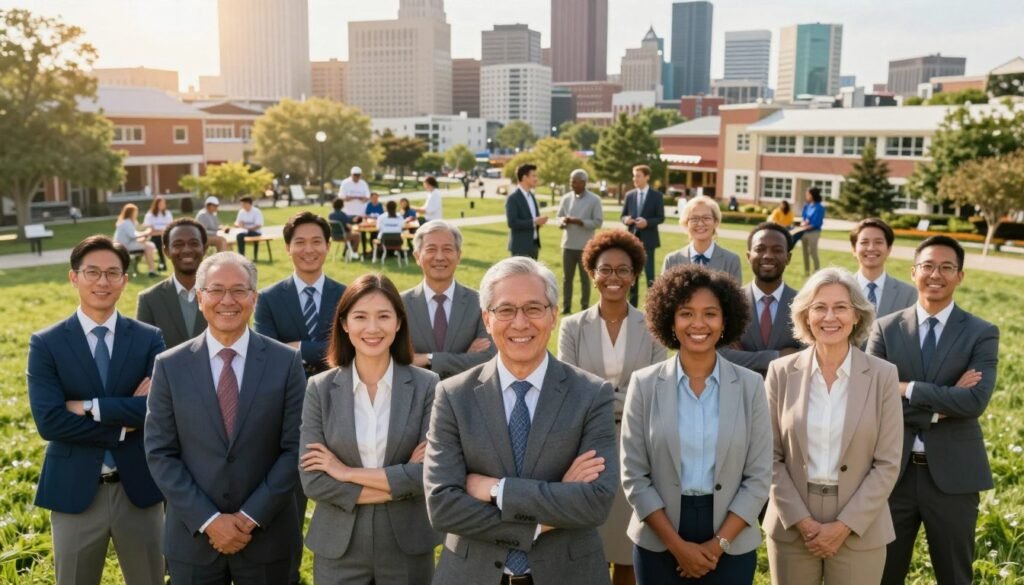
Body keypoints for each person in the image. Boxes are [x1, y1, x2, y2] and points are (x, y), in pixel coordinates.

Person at [424, 256, 618, 585]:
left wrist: (497, 490)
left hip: (569, 574)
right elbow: (443, 506)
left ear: (554, 315)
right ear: (487, 318)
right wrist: (545, 515)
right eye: (505, 310)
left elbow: (595, 502)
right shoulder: (453, 395)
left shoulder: (592, 393)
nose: (520, 323)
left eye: (533, 308)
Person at [145, 252, 306, 584]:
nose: (227, 301)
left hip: (268, 538)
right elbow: (161, 452)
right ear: (200, 297)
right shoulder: (169, 365)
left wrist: (249, 518)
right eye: (216, 290)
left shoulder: (286, 363)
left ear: (254, 298)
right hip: (193, 538)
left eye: (239, 290)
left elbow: (296, 449)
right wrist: (209, 519)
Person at [620, 265, 771, 585]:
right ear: (670, 321)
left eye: (710, 314)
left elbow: (758, 478)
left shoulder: (751, 386)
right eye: (686, 313)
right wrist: (676, 547)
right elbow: (634, 475)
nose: (698, 324)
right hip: (658, 536)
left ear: (725, 320)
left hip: (732, 535)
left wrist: (718, 546)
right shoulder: (644, 384)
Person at [28, 235, 166, 585]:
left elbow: (157, 409)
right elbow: (50, 422)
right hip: (74, 491)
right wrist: (122, 425)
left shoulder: (149, 338)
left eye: (112, 273)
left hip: (139, 489)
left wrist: (90, 407)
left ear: (125, 280)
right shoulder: (46, 343)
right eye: (92, 272)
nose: (102, 281)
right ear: (74, 277)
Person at [867, 236, 1000, 585]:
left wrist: (906, 388)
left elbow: (975, 402)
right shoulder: (884, 328)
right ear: (913, 272)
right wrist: (943, 403)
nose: (935, 274)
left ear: (960, 276)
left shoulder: (981, 333)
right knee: (883, 574)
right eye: (927, 266)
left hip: (954, 479)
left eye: (946, 267)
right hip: (891, 476)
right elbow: (872, 400)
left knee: (955, 576)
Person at [764, 267, 903, 585]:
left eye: (841, 307)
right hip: (792, 523)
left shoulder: (883, 375)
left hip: (860, 527)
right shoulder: (780, 372)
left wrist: (844, 525)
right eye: (819, 307)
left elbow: (888, 463)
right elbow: (766, 457)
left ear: (857, 315)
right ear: (805, 316)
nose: (830, 317)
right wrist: (802, 521)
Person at [299, 274, 441, 584]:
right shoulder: (319, 389)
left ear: (399, 323)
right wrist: (397, 483)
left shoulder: (427, 386)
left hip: (407, 548)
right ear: (345, 324)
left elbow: (427, 476)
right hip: (338, 548)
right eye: (361, 317)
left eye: (383, 316)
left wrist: (344, 472)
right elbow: (314, 482)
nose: (373, 328)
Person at [558, 230, 667, 585]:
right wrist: (622, 395)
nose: (614, 278)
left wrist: (602, 395)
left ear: (634, 275)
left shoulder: (652, 327)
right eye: (605, 269)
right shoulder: (572, 327)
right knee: (588, 546)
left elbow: (655, 389)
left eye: (623, 270)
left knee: (627, 546)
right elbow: (569, 390)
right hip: (586, 445)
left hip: (637, 445)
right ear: (592, 272)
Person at [256, 211, 347, 377]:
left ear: (328, 246)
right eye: (300, 242)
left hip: (339, 387)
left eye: (316, 242)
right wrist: (327, 347)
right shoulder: (267, 298)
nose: (309, 249)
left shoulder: (347, 296)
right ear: (287, 248)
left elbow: (350, 347)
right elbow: (265, 352)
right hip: (286, 391)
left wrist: (299, 347)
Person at [402, 220, 495, 379]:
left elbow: (487, 359)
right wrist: (464, 357)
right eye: (431, 249)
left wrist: (427, 359)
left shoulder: (481, 302)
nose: (439, 257)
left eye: (447, 249)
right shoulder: (398, 304)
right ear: (417, 256)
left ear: (458, 256)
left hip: (466, 398)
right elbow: (394, 360)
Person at [719, 223, 804, 376]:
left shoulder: (803, 303)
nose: (768, 255)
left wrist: (744, 357)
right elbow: (719, 354)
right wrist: (776, 356)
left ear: (788, 257)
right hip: (739, 393)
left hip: (787, 395)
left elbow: (808, 356)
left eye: (777, 250)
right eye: (760, 249)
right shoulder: (729, 302)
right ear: (748, 256)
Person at [136, 217, 209, 349]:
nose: (186, 250)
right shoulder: (149, 300)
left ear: (204, 248)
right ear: (166, 251)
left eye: (193, 243)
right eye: (178, 244)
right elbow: (143, 352)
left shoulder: (224, 295)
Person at [662, 195, 742, 283]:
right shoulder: (672, 260)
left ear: (715, 222)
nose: (700, 223)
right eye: (694, 219)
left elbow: (736, 296)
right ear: (686, 223)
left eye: (706, 218)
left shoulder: (731, 261)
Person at [557, 168, 604, 314]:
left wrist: (579, 222)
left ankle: (584, 307)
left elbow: (598, 222)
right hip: (568, 245)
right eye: (571, 181)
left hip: (585, 247)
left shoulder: (594, 200)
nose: (572, 184)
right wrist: (562, 222)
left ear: (583, 182)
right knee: (567, 279)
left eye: (575, 182)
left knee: (585, 279)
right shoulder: (566, 198)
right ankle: (566, 308)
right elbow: (559, 216)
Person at [850, 218, 917, 318]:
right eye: (864, 242)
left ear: (889, 249)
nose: (871, 248)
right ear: (854, 249)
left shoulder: (908, 294)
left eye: (878, 242)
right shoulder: (842, 290)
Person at [621, 165, 665, 307]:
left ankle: (652, 306)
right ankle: (632, 307)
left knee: (650, 275)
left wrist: (647, 222)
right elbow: (623, 216)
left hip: (649, 241)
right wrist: (626, 220)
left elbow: (660, 218)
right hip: (632, 241)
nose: (635, 179)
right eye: (634, 176)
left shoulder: (656, 196)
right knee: (632, 275)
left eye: (638, 176)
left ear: (647, 177)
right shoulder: (630, 195)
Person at [506, 163, 547, 259]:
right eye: (533, 176)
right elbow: (512, 223)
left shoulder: (531, 196)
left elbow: (534, 218)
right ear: (524, 177)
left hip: (534, 246)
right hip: (520, 247)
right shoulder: (513, 198)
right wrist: (534, 221)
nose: (536, 179)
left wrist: (540, 222)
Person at [114, 202, 158, 277]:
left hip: (127, 244)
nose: (137, 214)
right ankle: (151, 271)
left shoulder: (129, 222)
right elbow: (133, 235)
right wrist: (147, 232)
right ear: (130, 213)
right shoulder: (126, 222)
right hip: (124, 246)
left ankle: (151, 270)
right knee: (149, 246)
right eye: (135, 212)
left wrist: (145, 234)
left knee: (148, 244)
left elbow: (135, 233)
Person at [796, 188, 825, 275]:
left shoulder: (819, 208)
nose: (806, 196)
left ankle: (817, 272)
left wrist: (807, 225)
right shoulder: (807, 206)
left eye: (808, 194)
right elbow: (804, 218)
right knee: (805, 252)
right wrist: (803, 223)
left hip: (814, 233)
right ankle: (807, 272)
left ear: (812, 195)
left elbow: (818, 222)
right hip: (804, 232)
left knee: (813, 252)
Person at [143, 195, 173, 270]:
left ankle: (162, 263)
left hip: (166, 236)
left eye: (163, 203)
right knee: (159, 241)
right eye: (160, 203)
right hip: (153, 237)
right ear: (156, 204)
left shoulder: (168, 214)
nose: (162, 205)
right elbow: (150, 230)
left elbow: (170, 227)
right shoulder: (150, 215)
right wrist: (161, 231)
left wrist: (158, 231)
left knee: (161, 242)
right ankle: (162, 263)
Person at [234, 196, 264, 260]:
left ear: (248, 203)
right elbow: (236, 223)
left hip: (255, 232)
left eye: (243, 204)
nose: (242, 206)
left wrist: (247, 228)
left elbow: (258, 225)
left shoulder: (256, 211)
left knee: (240, 236)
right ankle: (240, 256)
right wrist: (238, 225)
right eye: (241, 204)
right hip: (243, 231)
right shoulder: (241, 212)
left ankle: (241, 256)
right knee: (239, 235)